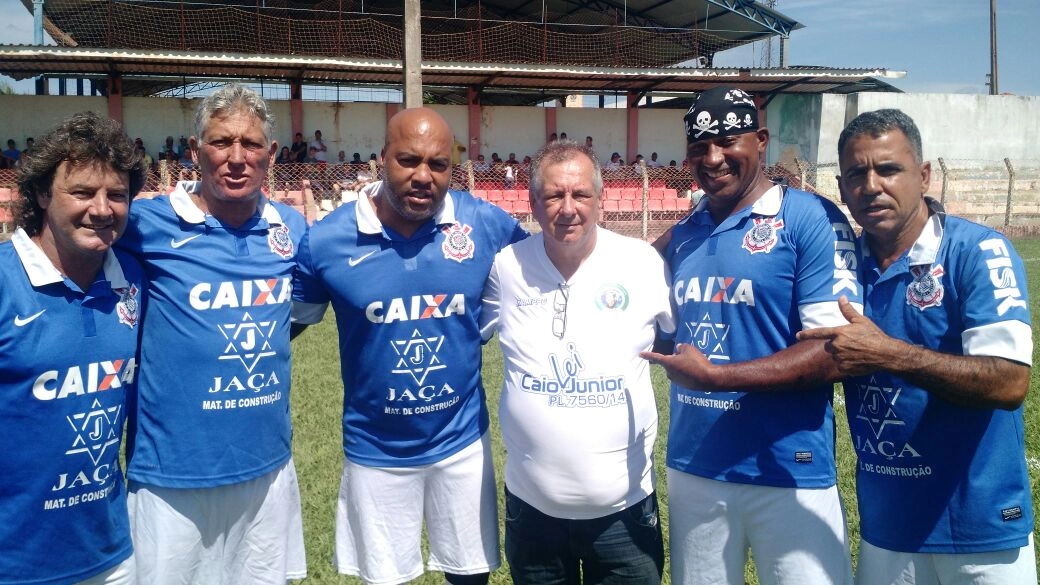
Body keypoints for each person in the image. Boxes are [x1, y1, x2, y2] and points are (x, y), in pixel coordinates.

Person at [798, 108, 1037, 585]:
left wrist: (886, 353)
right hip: (887, 527)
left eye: (888, 169)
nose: (871, 185)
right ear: (842, 188)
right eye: (855, 174)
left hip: (979, 527)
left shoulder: (975, 251)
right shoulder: (839, 270)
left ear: (924, 175)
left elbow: (1010, 381)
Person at [293, 107, 527, 585]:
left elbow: (547, 270)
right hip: (375, 450)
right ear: (382, 159)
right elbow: (284, 328)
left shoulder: (484, 225)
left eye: (438, 164)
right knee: (385, 579)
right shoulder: (327, 241)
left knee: (469, 576)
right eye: (408, 160)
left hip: (461, 444)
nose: (423, 176)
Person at [641, 85, 860, 585]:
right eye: (699, 146)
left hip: (788, 468)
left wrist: (718, 377)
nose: (712, 157)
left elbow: (836, 349)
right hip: (696, 467)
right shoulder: (687, 230)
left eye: (727, 141)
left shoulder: (810, 218)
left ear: (760, 140)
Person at [116, 84, 309, 584]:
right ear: (195, 148)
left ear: (270, 154)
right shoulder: (144, 225)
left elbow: (304, 310)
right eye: (222, 142)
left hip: (266, 469)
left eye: (251, 144)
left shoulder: (289, 228)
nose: (237, 158)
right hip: (171, 478)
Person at [480, 140, 674, 585]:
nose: (568, 208)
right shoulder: (506, 268)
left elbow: (688, 331)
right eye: (554, 195)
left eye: (580, 194)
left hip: (623, 514)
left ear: (600, 199)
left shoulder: (641, 263)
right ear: (532, 202)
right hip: (533, 514)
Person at [0, 112, 145, 584]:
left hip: (111, 555)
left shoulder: (135, 282)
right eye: (82, 192)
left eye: (117, 195)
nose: (101, 209)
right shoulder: (5, 281)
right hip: (15, 562)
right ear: (42, 194)